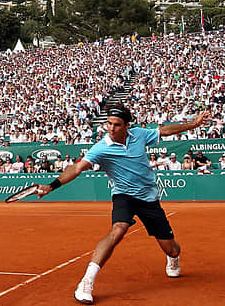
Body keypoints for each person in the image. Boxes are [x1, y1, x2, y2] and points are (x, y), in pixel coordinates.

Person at [37, 102, 211, 305]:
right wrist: (52, 185)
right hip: (123, 196)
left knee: (172, 249)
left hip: (149, 199)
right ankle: (87, 281)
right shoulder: (101, 148)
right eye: (109, 123)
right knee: (118, 229)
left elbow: (163, 130)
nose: (111, 128)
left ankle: (172, 258)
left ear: (127, 126)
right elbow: (76, 169)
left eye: (117, 124)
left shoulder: (139, 135)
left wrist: (193, 124)